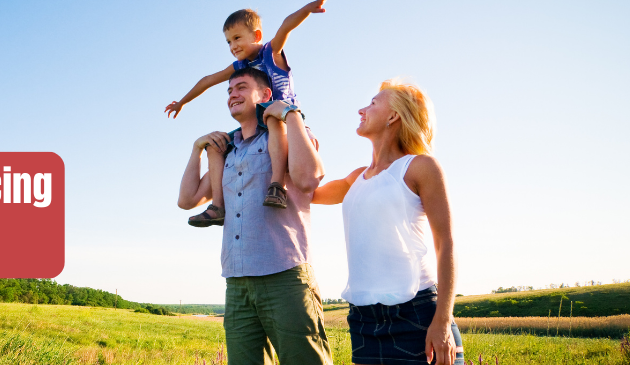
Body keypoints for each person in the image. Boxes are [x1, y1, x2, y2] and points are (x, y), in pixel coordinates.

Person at [177, 67, 332, 365]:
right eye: (229, 90)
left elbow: (309, 178)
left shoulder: (287, 133)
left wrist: (290, 114)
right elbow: (187, 200)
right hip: (236, 281)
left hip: (284, 275)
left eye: (242, 87)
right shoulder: (228, 151)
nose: (233, 94)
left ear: (265, 95)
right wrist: (197, 149)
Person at [311, 79, 464, 365]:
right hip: (363, 320)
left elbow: (446, 244)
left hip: (416, 314)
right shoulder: (355, 178)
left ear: (393, 116)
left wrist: (443, 320)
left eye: (372, 103)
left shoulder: (420, 167)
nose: (362, 109)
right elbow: (304, 193)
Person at [167, 1, 326, 227]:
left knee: (271, 116)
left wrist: (306, 10)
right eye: (229, 41)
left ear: (257, 35)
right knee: (215, 144)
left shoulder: (270, 53)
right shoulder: (240, 66)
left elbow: (285, 27)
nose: (233, 45)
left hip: (282, 115)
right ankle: (218, 207)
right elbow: (208, 80)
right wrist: (182, 101)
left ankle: (277, 186)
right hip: (257, 122)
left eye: (237, 38)